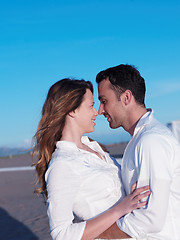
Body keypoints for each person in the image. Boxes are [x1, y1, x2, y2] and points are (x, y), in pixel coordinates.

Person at [33, 78, 150, 240]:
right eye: (90, 106)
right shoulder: (62, 164)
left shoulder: (94, 147)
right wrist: (120, 209)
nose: (97, 112)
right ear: (72, 110)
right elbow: (61, 234)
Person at [96, 64, 180, 239]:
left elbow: (151, 219)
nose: (100, 110)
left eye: (104, 101)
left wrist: (95, 234)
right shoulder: (141, 139)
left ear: (126, 97)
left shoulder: (151, 140)